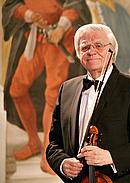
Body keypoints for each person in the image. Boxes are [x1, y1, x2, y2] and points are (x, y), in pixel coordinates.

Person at [46, 24, 130, 183]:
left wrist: (110, 157)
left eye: (98, 45)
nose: (91, 51)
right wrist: (62, 163)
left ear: (112, 51)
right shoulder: (67, 89)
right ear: (79, 54)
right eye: (84, 46)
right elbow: (54, 143)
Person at [2, 0, 91, 174]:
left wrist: (61, 27)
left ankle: (48, 157)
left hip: (59, 40)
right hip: (35, 38)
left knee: (53, 98)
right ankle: (33, 142)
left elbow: (76, 5)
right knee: (16, 90)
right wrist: (28, 14)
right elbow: (12, 5)